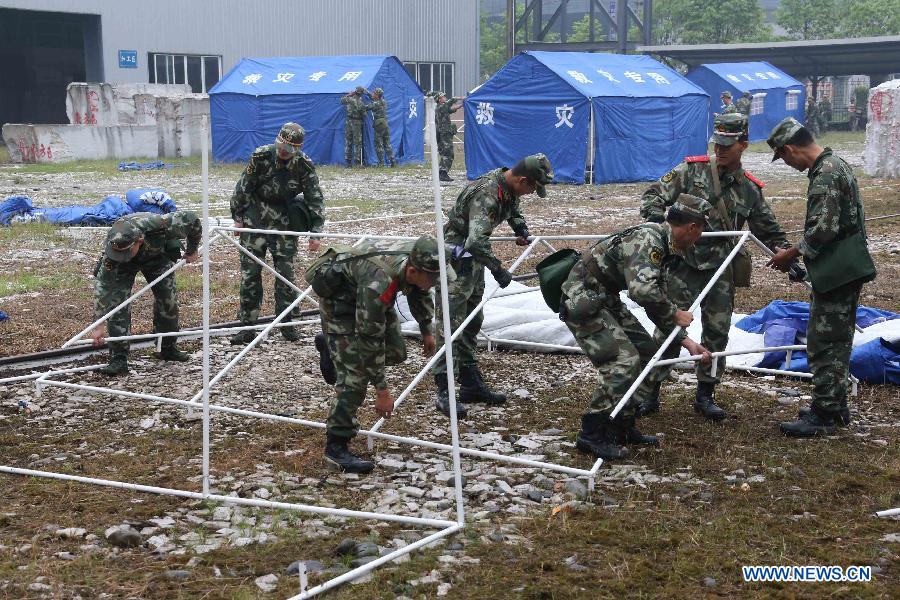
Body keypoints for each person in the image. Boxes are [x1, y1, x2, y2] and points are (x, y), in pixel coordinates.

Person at [639, 112, 795, 421]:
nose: (720, 150)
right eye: (717, 143)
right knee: (670, 329)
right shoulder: (691, 171)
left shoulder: (749, 188)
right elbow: (652, 197)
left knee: (717, 333)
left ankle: (706, 393)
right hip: (683, 263)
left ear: (744, 145)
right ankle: (649, 391)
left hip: (719, 269)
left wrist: (784, 253)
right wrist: (663, 228)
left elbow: (768, 228)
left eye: (728, 145)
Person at [562, 195, 714, 460]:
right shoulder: (650, 241)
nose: (699, 237)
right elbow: (642, 291)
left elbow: (658, 302)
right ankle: (592, 433)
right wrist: (675, 313)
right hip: (583, 301)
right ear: (691, 227)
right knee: (623, 361)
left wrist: (686, 342)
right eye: (700, 229)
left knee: (646, 353)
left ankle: (622, 424)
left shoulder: (664, 246)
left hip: (604, 298)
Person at [766, 117, 876, 437]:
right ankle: (835, 403)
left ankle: (825, 414)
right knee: (838, 338)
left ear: (789, 148)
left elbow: (822, 230)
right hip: (845, 267)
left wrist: (791, 253)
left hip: (837, 271)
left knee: (824, 341)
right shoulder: (834, 163)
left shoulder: (825, 174)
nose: (786, 164)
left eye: (783, 157)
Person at [305, 236, 450, 473]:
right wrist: (382, 391)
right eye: (433, 279)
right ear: (412, 271)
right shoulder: (379, 284)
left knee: (395, 350)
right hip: (340, 307)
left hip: (363, 295)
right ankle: (336, 449)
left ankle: (334, 352)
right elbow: (369, 339)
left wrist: (427, 329)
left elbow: (420, 290)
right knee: (356, 378)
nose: (434, 284)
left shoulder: (414, 258)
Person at [432, 153, 553, 418]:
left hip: (472, 262)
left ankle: (470, 383)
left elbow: (512, 207)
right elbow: (476, 241)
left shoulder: (507, 186)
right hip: (455, 261)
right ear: (522, 179)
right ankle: (443, 390)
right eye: (532, 187)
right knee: (450, 324)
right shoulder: (487, 194)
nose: (532, 192)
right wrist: (497, 268)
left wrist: (519, 228)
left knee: (473, 319)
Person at [230, 122, 325, 344]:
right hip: (256, 218)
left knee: (286, 275)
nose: (284, 151)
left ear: (298, 149)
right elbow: (244, 187)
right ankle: (246, 326)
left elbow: (315, 197)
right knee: (250, 275)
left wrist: (316, 232)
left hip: (285, 222)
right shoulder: (261, 156)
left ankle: (288, 324)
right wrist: (238, 218)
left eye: (289, 149)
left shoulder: (304, 165)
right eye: (282, 146)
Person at [89, 211, 202, 375]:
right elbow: (105, 289)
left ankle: (167, 347)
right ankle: (118, 358)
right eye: (119, 253)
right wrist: (98, 325)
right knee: (118, 305)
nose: (123, 256)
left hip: (157, 257)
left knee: (168, 300)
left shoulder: (160, 224)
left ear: (139, 240)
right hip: (124, 269)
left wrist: (192, 250)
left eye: (127, 252)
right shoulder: (114, 255)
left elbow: (192, 220)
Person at [366, 87, 396, 167]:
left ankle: (381, 163)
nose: (373, 94)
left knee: (378, 144)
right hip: (385, 124)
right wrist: (367, 93)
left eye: (374, 93)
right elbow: (373, 99)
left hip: (379, 124)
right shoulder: (383, 101)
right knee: (387, 144)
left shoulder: (376, 103)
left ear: (377, 95)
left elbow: (367, 107)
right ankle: (392, 161)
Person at [435, 92, 462, 181]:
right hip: (444, 134)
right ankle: (443, 173)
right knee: (448, 154)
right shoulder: (440, 107)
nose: (445, 97)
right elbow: (449, 104)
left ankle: (442, 173)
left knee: (446, 153)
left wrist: (461, 105)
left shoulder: (443, 108)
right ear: (439, 99)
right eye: (443, 97)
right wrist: (458, 97)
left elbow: (451, 109)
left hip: (444, 134)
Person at [341, 86, 368, 167]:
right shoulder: (361, 103)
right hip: (357, 123)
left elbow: (342, 100)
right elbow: (364, 115)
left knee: (348, 142)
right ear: (361, 94)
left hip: (348, 122)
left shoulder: (349, 99)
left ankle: (348, 163)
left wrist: (349, 95)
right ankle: (357, 162)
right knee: (357, 143)